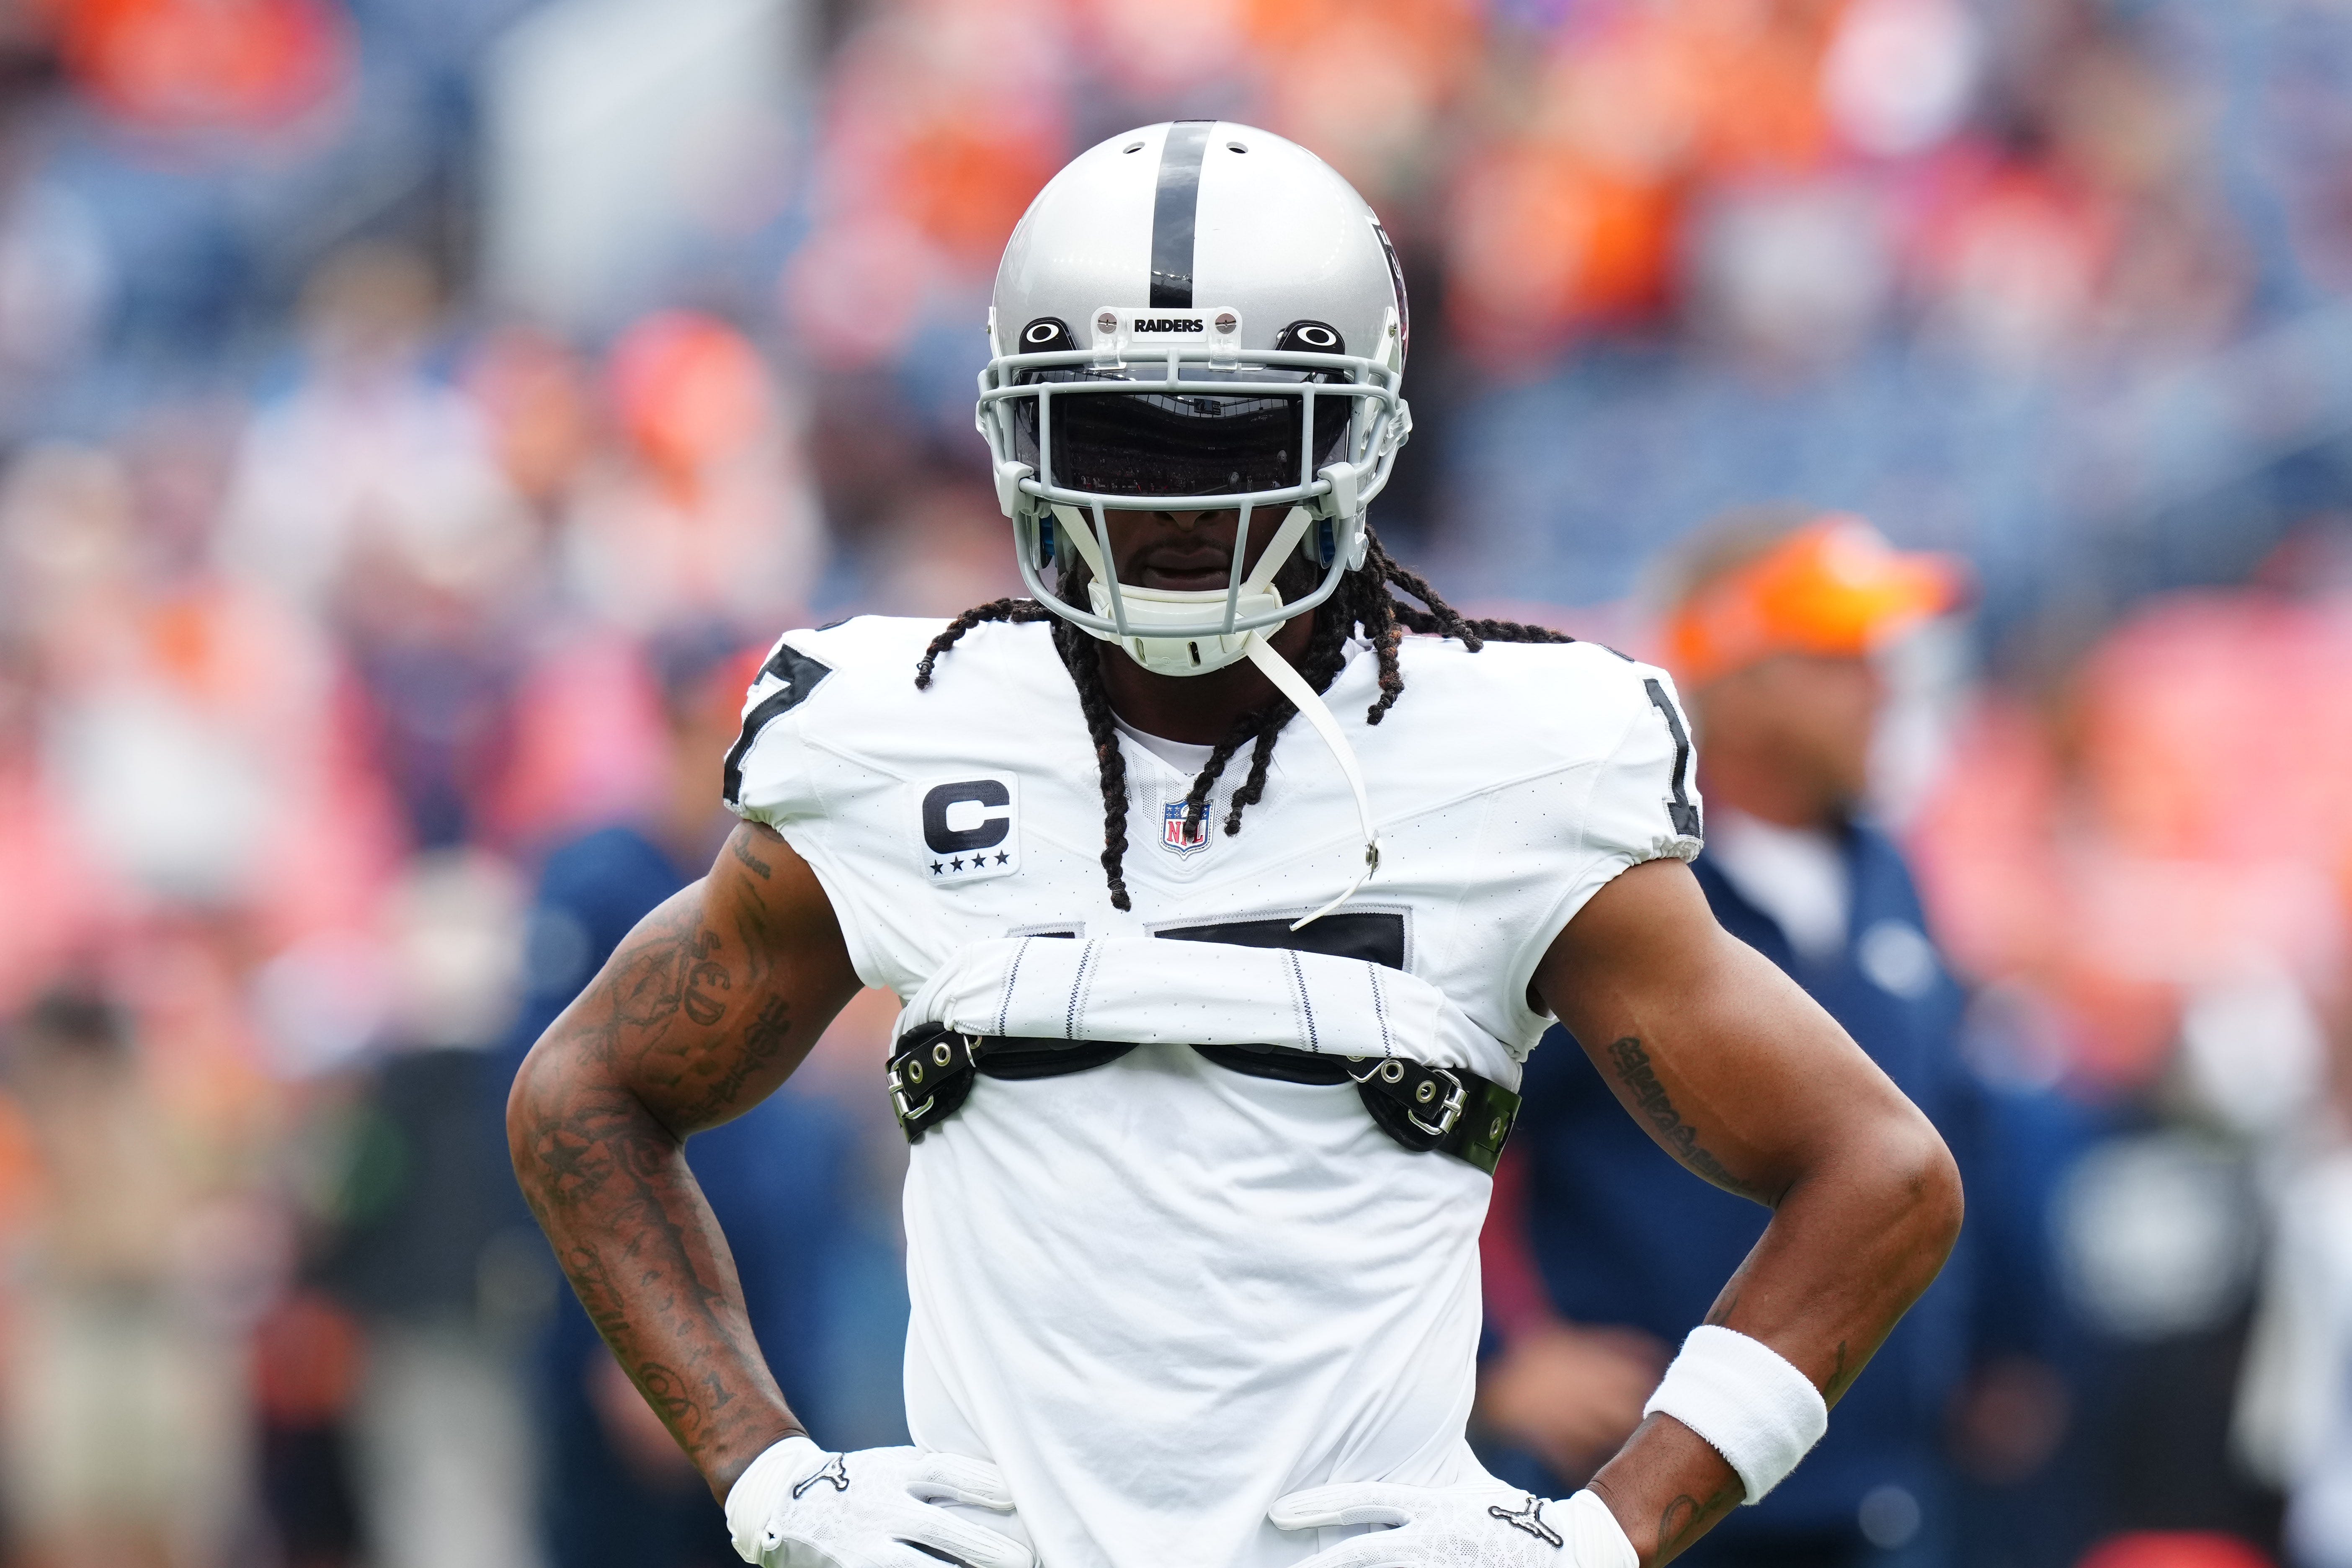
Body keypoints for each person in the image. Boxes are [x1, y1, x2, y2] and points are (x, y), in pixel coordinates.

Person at [506, 123, 1964, 1568]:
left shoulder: (1516, 752)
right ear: (1020, 440)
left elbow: (1878, 1172)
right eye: (1118, 437)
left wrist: (1611, 1529)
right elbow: (588, 1091)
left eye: (1242, 435)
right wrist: (763, 1470)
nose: (1176, 500)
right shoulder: (898, 726)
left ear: (1361, 437)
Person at [1477, 508, 1999, 1566]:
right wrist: (1492, 1368)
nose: (1885, 687)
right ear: (1742, 675)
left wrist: (1996, 1347)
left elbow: (1943, 1129)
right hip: (1661, 1500)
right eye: (1840, 659)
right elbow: (1431, 1138)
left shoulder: (1890, 872)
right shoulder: (1618, 894)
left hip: (1879, 1493)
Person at [498, 627, 859, 1568]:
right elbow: (567, 1131)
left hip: (771, 1310)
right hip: (650, 1330)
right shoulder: (599, 878)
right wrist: (628, 1358)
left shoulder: (786, 876)